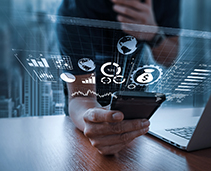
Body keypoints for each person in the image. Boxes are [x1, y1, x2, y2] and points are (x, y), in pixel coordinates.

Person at [56, 0, 180, 155]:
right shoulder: (75, 8)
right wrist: (91, 120)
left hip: (135, 108)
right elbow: (81, 97)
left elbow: (170, 58)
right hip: (83, 115)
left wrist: (153, 34)